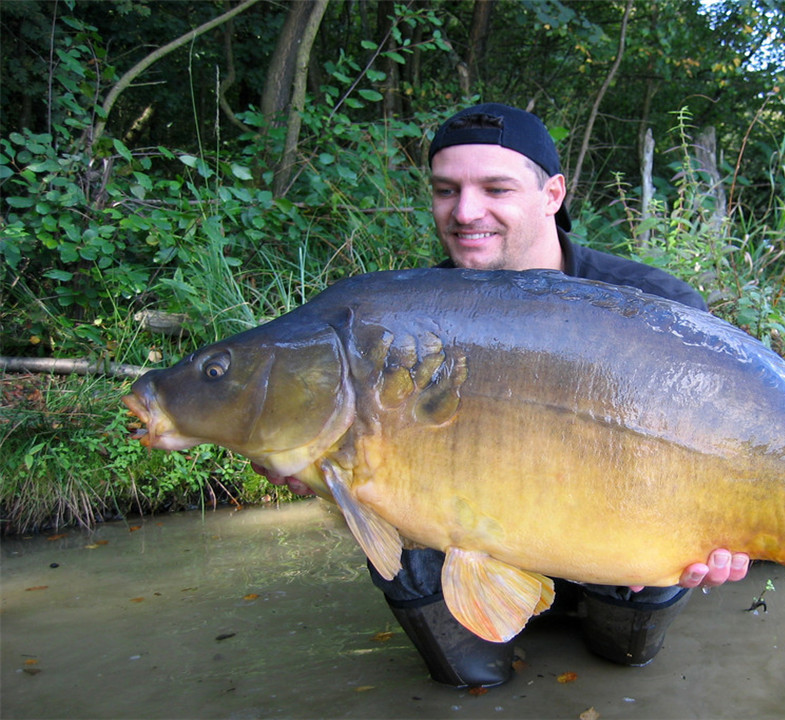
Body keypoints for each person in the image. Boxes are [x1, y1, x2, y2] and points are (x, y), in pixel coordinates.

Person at [261, 103, 750, 688]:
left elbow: (723, 440)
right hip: (474, 540)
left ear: (552, 194)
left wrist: (722, 535)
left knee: (624, 660)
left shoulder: (650, 304)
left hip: (612, 540)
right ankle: (486, 644)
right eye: (446, 190)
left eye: (496, 187)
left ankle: (602, 615)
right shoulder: (408, 316)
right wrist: (323, 472)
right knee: (467, 677)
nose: (466, 212)